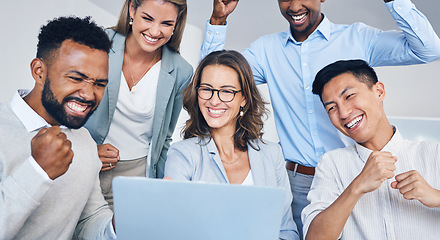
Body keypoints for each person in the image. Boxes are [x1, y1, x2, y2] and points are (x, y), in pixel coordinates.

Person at [201, 0, 440, 236]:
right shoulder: (266, 50)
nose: (294, 7)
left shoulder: (357, 37)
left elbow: (428, 49)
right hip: (298, 182)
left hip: (358, 171)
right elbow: (212, 80)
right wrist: (218, 21)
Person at [0, 16, 116, 239]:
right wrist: (37, 171)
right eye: (75, 78)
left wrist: (116, 226)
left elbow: (88, 218)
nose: (89, 95)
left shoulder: (84, 139)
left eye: (99, 84)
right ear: (39, 71)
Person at [164, 50, 299, 240]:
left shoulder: (272, 154)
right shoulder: (182, 155)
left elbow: (286, 231)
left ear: (244, 98)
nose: (214, 100)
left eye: (226, 91)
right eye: (206, 89)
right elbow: (177, 229)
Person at [301, 59, 440, 239]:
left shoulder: (434, 154)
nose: (343, 113)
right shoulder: (331, 164)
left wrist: (437, 197)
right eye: (332, 108)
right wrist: (356, 187)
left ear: (379, 91)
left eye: (349, 96)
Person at [84, 0, 193, 209]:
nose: (155, 31)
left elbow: (165, 138)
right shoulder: (99, 43)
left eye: (166, 23)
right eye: (148, 18)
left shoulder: (181, 71)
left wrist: (160, 190)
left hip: (136, 177)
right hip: (87, 166)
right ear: (132, 9)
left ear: (176, 23)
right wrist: (86, 151)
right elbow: (66, 106)